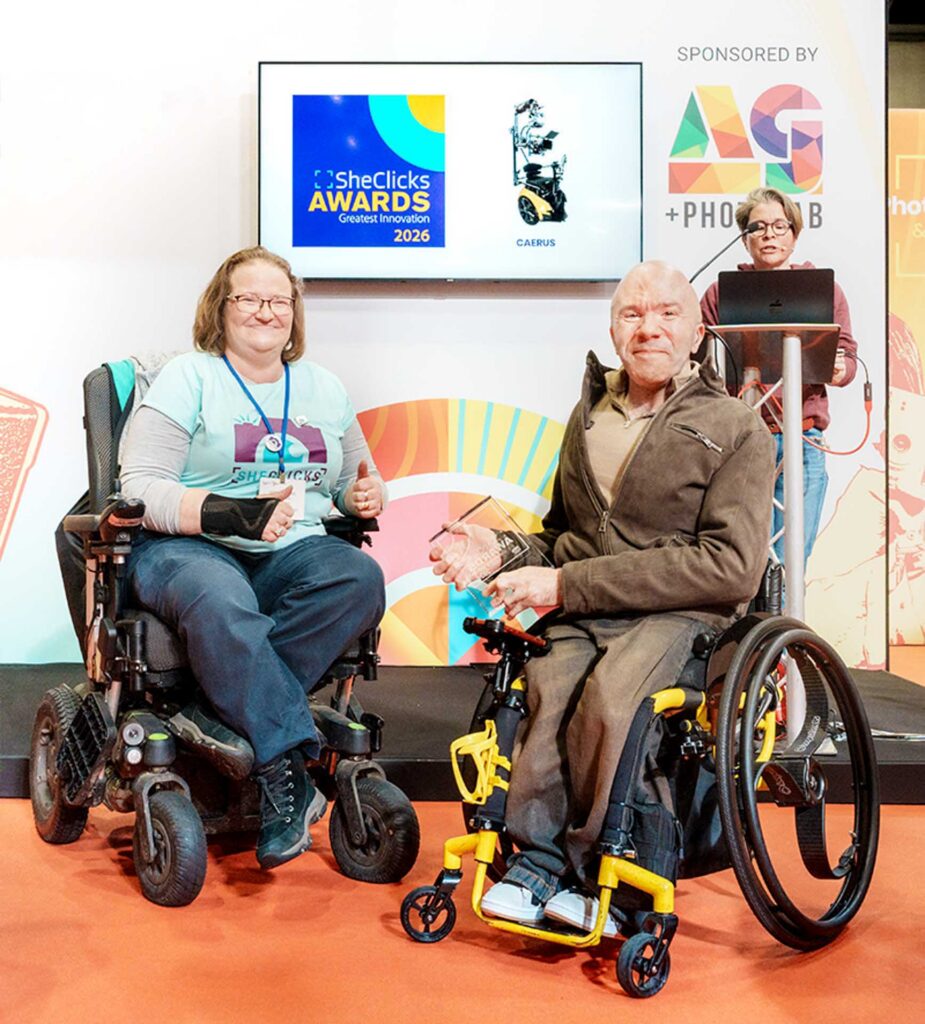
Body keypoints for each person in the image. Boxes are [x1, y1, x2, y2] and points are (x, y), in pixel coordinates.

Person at [431, 261, 775, 932]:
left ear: (697, 331)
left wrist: (566, 585)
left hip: (683, 616)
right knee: (548, 687)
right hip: (588, 610)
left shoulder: (736, 427)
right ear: (612, 330)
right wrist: (500, 551)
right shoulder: (586, 416)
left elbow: (731, 567)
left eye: (666, 313)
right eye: (631, 315)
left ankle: (604, 875)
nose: (648, 328)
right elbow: (564, 537)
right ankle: (535, 864)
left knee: (615, 698)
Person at [120, 245, 386, 870]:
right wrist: (229, 514)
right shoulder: (190, 377)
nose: (266, 311)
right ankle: (282, 765)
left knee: (358, 577)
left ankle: (214, 714)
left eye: (279, 300)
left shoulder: (325, 387)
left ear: (294, 312)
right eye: (250, 298)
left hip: (290, 549)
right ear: (222, 306)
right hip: (189, 547)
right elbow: (141, 486)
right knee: (222, 598)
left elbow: (349, 481)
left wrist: (361, 493)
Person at [699, 186, 859, 564]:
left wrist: (839, 368)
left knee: (788, 564)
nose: (769, 234)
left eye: (778, 226)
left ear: (795, 233)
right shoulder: (718, 293)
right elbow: (700, 365)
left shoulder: (825, 290)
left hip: (802, 440)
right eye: (757, 227)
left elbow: (849, 359)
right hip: (739, 445)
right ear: (744, 238)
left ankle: (781, 625)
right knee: (741, 563)